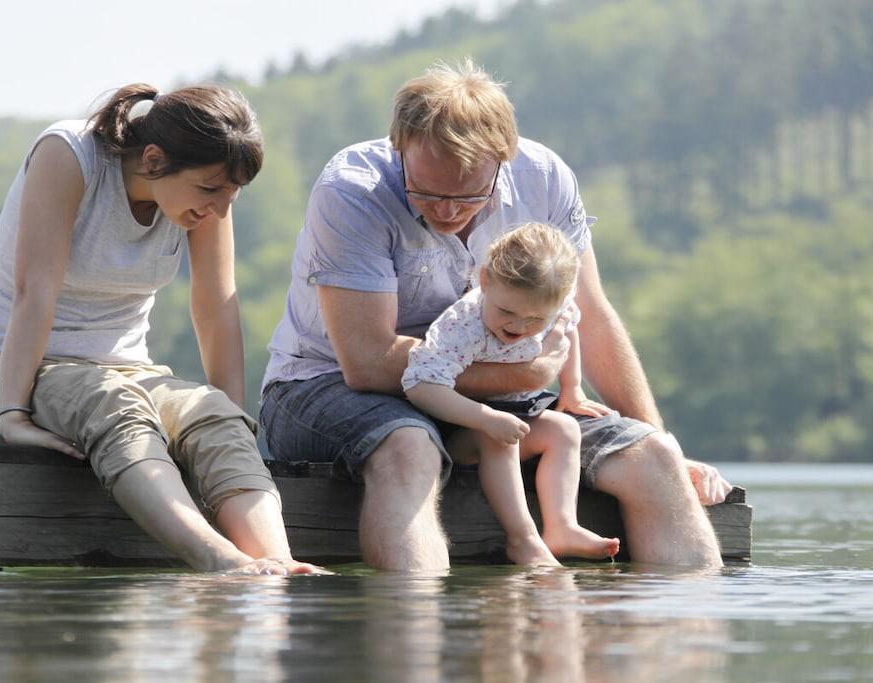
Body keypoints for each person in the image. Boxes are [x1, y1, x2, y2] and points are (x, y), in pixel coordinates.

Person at [260, 60, 733, 571]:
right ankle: (412, 619)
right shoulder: (353, 190)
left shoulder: (545, 179)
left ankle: (681, 619)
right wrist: (523, 374)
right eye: (427, 193)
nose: (447, 211)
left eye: (469, 195)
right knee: (409, 445)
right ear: (399, 147)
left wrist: (658, 437)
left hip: (498, 399)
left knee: (654, 458)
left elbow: (591, 314)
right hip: (326, 385)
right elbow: (368, 361)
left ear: (503, 160)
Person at [0, 83, 318, 575]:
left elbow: (215, 303)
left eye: (233, 194)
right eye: (211, 190)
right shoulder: (68, 155)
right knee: (113, 402)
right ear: (154, 160)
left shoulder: (206, 195)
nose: (221, 209)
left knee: (213, 415)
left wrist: (227, 414)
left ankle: (278, 565)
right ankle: (223, 562)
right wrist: (13, 414)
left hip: (123, 376)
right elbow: (35, 289)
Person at [403, 222, 619, 565]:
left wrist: (572, 389)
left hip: (513, 413)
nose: (519, 327)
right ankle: (523, 540)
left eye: (535, 319)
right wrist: (485, 418)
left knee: (565, 428)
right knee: (499, 438)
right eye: (507, 312)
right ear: (486, 280)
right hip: (456, 426)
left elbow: (567, 332)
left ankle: (563, 527)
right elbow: (420, 386)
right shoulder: (462, 325)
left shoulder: (554, 306)